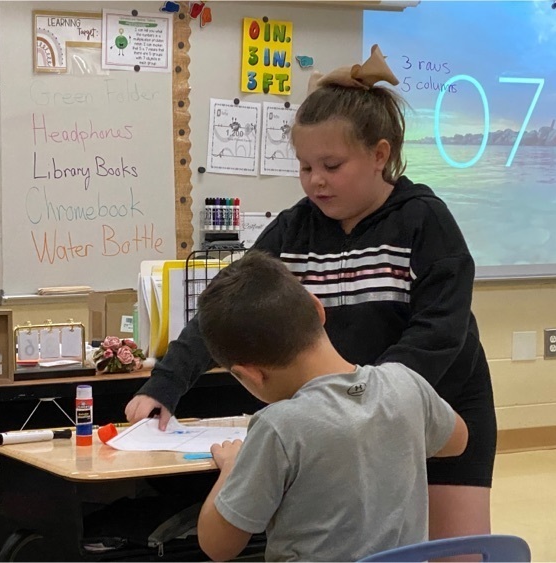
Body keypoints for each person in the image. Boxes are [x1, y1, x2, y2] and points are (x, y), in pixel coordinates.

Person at [126, 44, 496, 540]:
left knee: (455, 552)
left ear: (380, 155)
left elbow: (439, 331)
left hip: (438, 405)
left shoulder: (425, 222)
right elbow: (228, 310)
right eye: (304, 167)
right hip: (343, 419)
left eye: (331, 165)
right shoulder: (293, 229)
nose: (316, 181)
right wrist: (165, 383)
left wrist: (375, 401)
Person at [193, 250, 468, 562]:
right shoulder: (405, 382)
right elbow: (457, 440)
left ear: (249, 374)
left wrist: (232, 467)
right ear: (317, 308)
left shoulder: (278, 427)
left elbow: (217, 546)